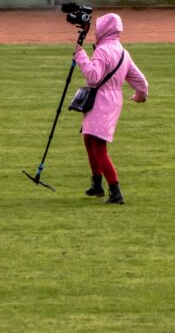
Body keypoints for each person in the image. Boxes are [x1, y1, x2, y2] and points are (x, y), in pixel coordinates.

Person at [72, 12, 148, 205]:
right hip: (112, 100)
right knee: (89, 139)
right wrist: (141, 94)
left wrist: (80, 55)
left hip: (101, 100)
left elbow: (93, 77)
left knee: (99, 146)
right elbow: (139, 79)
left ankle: (115, 192)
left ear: (104, 30)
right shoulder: (123, 52)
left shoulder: (102, 51)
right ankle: (97, 184)